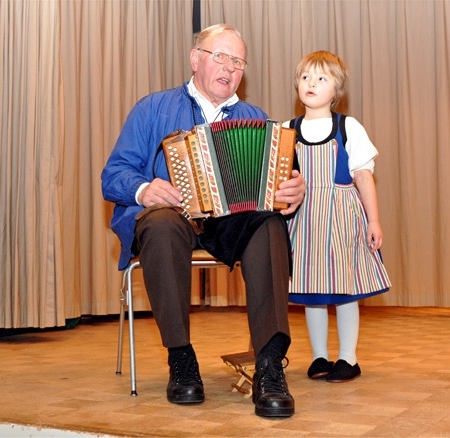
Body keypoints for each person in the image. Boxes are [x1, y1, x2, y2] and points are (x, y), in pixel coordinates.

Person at [101, 24, 305, 418]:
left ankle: (269, 365)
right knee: (161, 224)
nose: (230, 68)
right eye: (221, 56)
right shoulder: (152, 108)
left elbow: (277, 187)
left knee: (268, 225)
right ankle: (181, 358)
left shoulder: (255, 118)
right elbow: (113, 175)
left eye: (238, 62)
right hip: (172, 218)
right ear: (196, 59)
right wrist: (144, 189)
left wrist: (293, 191)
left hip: (230, 224)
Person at [284, 50, 391, 383]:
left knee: (344, 291)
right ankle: (319, 356)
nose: (311, 83)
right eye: (305, 77)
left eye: (321, 78)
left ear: (337, 90)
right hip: (303, 221)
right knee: (312, 293)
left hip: (341, 219)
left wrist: (374, 220)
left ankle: (348, 357)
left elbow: (363, 176)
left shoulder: (348, 127)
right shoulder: (287, 130)